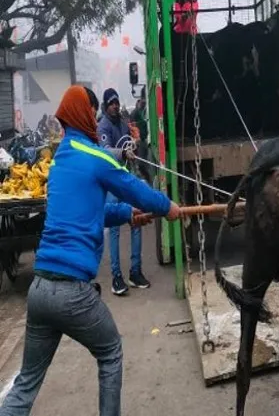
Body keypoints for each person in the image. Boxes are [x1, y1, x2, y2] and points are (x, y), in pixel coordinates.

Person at [0, 85, 180, 416]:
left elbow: (90, 214)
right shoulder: (95, 157)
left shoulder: (60, 162)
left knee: (26, 383)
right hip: (71, 292)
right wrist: (166, 206)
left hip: (40, 291)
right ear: (85, 115)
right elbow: (133, 188)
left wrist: (127, 215)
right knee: (110, 351)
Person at [98, 88, 148, 295]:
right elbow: (105, 151)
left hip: (126, 177)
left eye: (117, 102)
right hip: (112, 181)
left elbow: (131, 143)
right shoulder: (103, 125)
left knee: (137, 219)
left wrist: (134, 142)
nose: (115, 106)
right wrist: (123, 153)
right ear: (105, 105)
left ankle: (135, 272)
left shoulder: (122, 122)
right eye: (111, 103)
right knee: (115, 228)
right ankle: (116, 277)